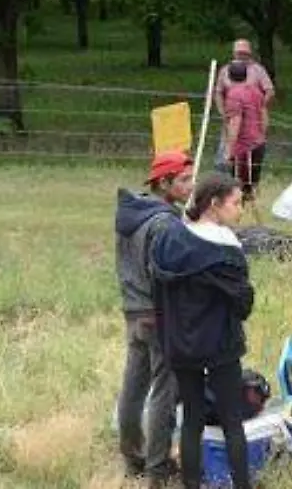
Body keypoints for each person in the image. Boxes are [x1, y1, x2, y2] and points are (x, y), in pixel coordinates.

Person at [152, 173, 256, 489]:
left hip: (181, 344)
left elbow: (157, 294)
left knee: (192, 420)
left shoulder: (169, 240)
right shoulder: (227, 249)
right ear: (214, 204)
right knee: (232, 423)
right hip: (220, 344)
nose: (240, 211)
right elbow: (243, 304)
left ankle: (191, 485)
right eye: (236, 203)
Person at [114, 150, 194, 486]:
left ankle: (133, 457)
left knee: (134, 387)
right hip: (159, 315)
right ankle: (157, 471)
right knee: (164, 391)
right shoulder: (164, 223)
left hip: (133, 312)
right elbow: (168, 275)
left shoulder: (131, 212)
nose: (192, 185)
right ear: (164, 182)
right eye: (185, 179)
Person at [213, 39, 273, 171]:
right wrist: (223, 113)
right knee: (225, 160)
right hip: (231, 119)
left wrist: (256, 110)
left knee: (242, 163)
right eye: (239, 53)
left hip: (250, 126)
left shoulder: (258, 70)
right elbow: (218, 92)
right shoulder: (225, 70)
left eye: (244, 53)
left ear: (250, 53)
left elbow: (269, 92)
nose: (241, 56)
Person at [221, 60, 268, 205]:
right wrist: (261, 135)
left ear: (228, 77)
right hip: (258, 143)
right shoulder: (256, 91)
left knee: (238, 185)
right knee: (251, 185)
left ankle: (241, 214)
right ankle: (250, 212)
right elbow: (264, 115)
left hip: (244, 146)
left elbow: (235, 121)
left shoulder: (233, 94)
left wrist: (230, 149)